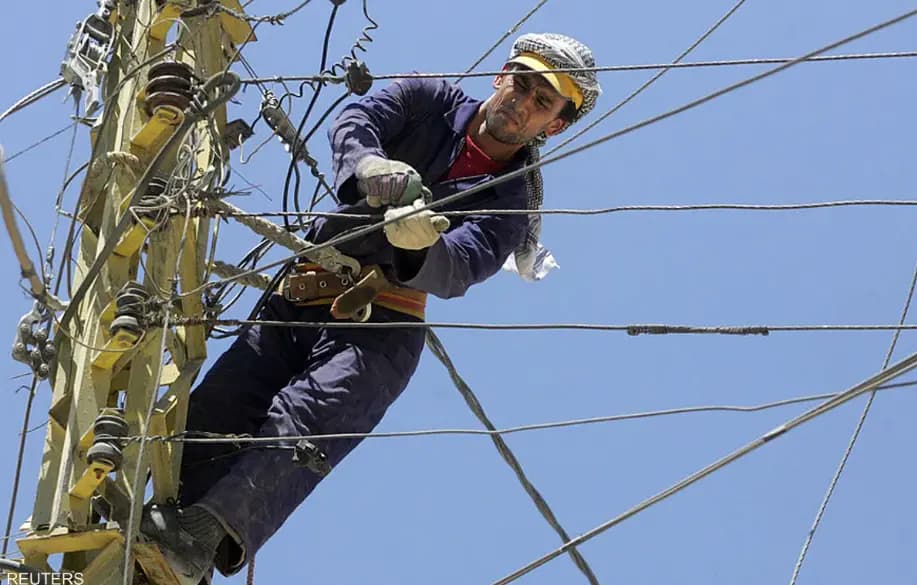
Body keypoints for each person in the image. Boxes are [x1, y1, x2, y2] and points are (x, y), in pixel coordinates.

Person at [140, 32, 601, 584]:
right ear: (501, 76)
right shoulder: (431, 99)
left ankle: (199, 539)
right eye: (522, 84)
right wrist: (369, 165)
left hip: (383, 323)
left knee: (307, 421)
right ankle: (146, 556)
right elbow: (358, 118)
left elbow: (463, 264)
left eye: (542, 103)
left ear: (555, 126)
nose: (522, 103)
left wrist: (418, 243)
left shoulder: (514, 200)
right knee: (214, 412)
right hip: (302, 293)